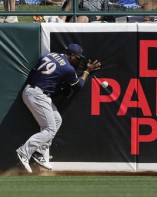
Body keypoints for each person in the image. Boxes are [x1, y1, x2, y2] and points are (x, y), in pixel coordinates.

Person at [16, 44, 101, 173]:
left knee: (56, 120)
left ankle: (39, 153)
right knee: (50, 128)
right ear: (71, 55)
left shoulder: (49, 55)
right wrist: (87, 71)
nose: (78, 61)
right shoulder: (68, 68)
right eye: (77, 58)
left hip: (33, 91)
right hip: (38, 94)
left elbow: (36, 73)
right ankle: (24, 152)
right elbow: (78, 85)